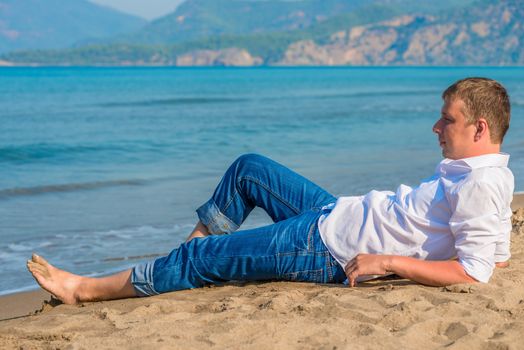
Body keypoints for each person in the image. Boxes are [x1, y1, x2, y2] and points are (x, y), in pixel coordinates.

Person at [27, 77, 514, 305]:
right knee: (250, 169)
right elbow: (497, 259)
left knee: (202, 261)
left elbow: (475, 274)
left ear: (479, 127)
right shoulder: (490, 173)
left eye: (446, 119)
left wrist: (387, 262)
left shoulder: (478, 182)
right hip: (335, 212)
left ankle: (84, 289)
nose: (435, 126)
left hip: (326, 248)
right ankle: (190, 255)